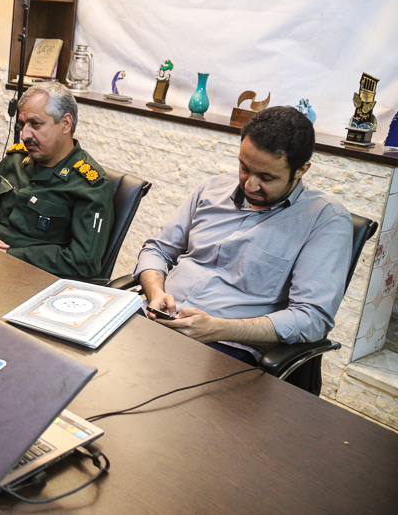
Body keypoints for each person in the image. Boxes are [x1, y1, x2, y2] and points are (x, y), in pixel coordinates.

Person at [135, 106, 353, 387]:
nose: (250, 185)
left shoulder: (325, 220)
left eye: (267, 178)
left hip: (224, 348)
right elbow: (157, 249)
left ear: (301, 170)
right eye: (244, 168)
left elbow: (312, 318)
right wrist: (155, 292)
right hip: (153, 318)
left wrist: (217, 329)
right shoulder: (212, 189)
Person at [0, 82, 113, 280]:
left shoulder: (87, 184)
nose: (24, 135)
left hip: (29, 280)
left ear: (66, 123)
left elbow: (83, 261)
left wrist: (9, 256)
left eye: (35, 124)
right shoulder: (16, 159)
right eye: (22, 125)